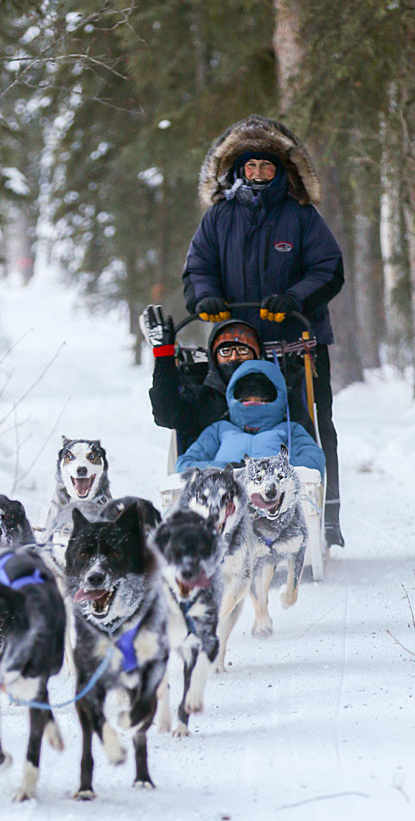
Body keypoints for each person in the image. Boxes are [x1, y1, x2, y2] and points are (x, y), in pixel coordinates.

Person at [181, 114, 344, 546]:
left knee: (310, 425)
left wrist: (295, 297)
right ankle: (225, 518)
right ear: (236, 170)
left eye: (265, 167)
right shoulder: (219, 218)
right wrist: (206, 298)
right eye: (249, 167)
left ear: (280, 171)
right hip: (236, 347)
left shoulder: (302, 217)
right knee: (228, 429)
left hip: (297, 344)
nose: (257, 174)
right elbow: (197, 268)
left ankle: (325, 517)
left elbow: (329, 270)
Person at [142, 306, 266, 453]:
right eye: (225, 351)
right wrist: (163, 356)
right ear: (214, 358)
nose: (234, 357)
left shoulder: (275, 393)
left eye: (242, 350)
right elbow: (166, 414)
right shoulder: (203, 400)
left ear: (256, 355)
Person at [175, 361, 326, 477]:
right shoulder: (220, 430)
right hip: (223, 500)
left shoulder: (289, 429)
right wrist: (226, 469)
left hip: (276, 500)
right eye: (246, 399)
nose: (253, 404)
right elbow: (184, 465)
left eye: (261, 398)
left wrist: (268, 467)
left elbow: (314, 461)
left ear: (277, 399)